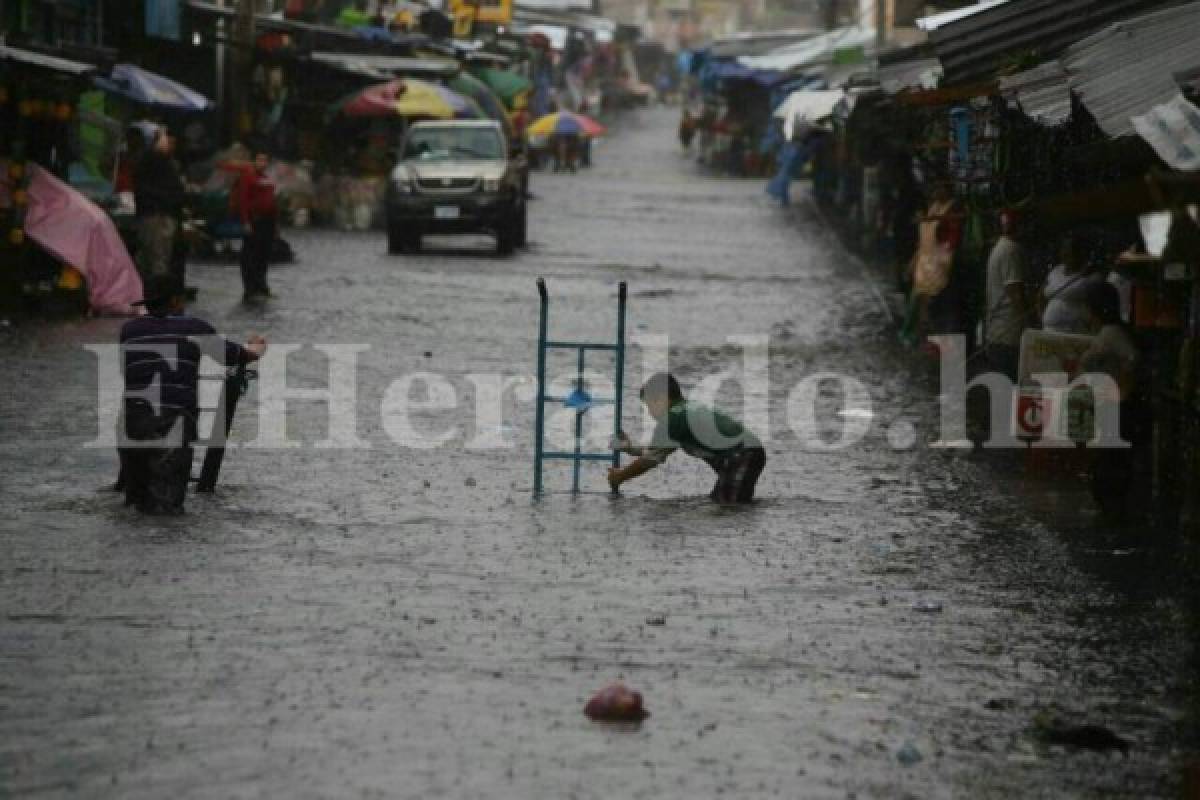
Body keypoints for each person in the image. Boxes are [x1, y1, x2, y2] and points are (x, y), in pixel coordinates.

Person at [118, 274, 267, 514]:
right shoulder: (194, 328)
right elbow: (234, 355)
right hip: (173, 421)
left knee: (136, 504)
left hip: (133, 421)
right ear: (176, 302)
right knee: (167, 509)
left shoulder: (129, 330)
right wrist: (255, 349)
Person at [607, 373, 766, 503]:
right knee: (725, 501)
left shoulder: (672, 419)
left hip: (742, 454)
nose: (649, 412)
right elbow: (657, 451)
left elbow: (649, 461)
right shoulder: (684, 410)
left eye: (649, 405)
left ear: (661, 399)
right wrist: (630, 448)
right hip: (746, 452)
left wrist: (620, 477)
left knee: (729, 505)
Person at [1075, 282, 1139, 520]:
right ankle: (1110, 508)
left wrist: (1122, 388)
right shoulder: (1105, 333)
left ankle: (1112, 510)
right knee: (1106, 458)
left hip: (1114, 406)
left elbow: (1132, 358)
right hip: (1107, 404)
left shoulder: (1111, 334)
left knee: (1109, 460)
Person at [899, 184, 961, 348]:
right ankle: (914, 334)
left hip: (938, 266)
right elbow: (924, 242)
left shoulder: (951, 209)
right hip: (925, 264)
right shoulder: (933, 207)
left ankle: (929, 340)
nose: (934, 191)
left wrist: (944, 263)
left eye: (938, 187)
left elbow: (950, 243)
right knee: (918, 301)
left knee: (930, 305)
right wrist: (914, 261)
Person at [982, 209, 1031, 380]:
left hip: (997, 332)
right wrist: (1029, 326)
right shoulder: (1011, 250)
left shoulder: (999, 248)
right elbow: (1015, 293)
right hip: (1009, 334)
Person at [133, 128, 186, 279]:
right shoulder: (153, 162)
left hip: (157, 215)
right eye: (164, 139)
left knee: (152, 257)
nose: (168, 143)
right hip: (157, 216)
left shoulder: (163, 162)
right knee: (157, 257)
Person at [1039, 231, 1104, 333]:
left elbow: (1097, 309)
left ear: (1081, 252)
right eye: (1064, 248)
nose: (1067, 252)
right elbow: (1040, 297)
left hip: (1075, 333)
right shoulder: (1055, 271)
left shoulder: (1092, 277)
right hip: (1049, 332)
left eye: (1072, 248)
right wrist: (1044, 318)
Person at [236, 148, 278, 301]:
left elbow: (272, 201)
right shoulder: (248, 176)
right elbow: (243, 200)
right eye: (260, 159)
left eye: (265, 160)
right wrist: (246, 221)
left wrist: (275, 225)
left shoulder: (267, 178)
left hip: (268, 220)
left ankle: (262, 286)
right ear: (254, 161)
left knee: (263, 255)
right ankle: (250, 289)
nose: (263, 163)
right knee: (250, 255)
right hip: (255, 220)